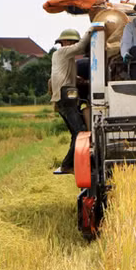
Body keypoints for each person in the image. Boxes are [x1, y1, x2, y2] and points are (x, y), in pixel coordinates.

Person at [51, 25, 103, 174]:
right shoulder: (62, 52)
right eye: (72, 42)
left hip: (64, 97)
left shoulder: (65, 58)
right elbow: (81, 47)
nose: (74, 45)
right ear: (65, 42)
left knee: (76, 133)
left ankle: (70, 164)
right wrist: (91, 30)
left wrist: (78, 80)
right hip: (66, 97)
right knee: (80, 133)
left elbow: (66, 75)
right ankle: (67, 165)